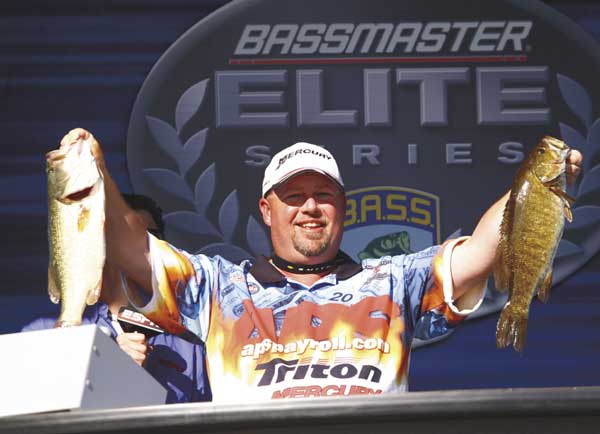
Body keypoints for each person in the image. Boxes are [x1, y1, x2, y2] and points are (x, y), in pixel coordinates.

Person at [59, 128, 582, 401]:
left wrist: (537, 187)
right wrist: (95, 173)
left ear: (343, 207)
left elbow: (484, 250)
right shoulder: (219, 286)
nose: (310, 207)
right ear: (267, 210)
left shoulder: (392, 280)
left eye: (323, 195)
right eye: (294, 196)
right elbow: (131, 248)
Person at [22, 193, 212, 404]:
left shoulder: (191, 341)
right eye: (121, 235)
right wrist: (109, 369)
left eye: (150, 236)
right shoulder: (47, 332)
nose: (136, 247)